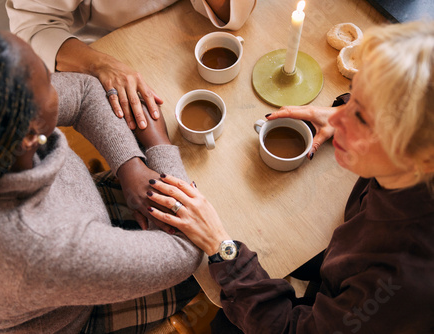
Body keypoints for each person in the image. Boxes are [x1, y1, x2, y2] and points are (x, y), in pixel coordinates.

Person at [144, 21, 434, 333]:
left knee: (225, 323)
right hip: (336, 264)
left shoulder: (400, 277)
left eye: (361, 117)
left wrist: (221, 246)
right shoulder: (410, 172)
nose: (336, 117)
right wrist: (349, 109)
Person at [0, 27, 203, 333]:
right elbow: (187, 249)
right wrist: (158, 144)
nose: (56, 85)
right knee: (210, 271)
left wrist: (131, 167)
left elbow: (86, 91)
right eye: (49, 82)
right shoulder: (43, 244)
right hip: (72, 318)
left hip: (62, 252)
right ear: (28, 135)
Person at [6, 0, 256, 130]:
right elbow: (35, 27)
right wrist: (100, 64)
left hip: (184, 30)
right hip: (101, 48)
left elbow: (233, 12)